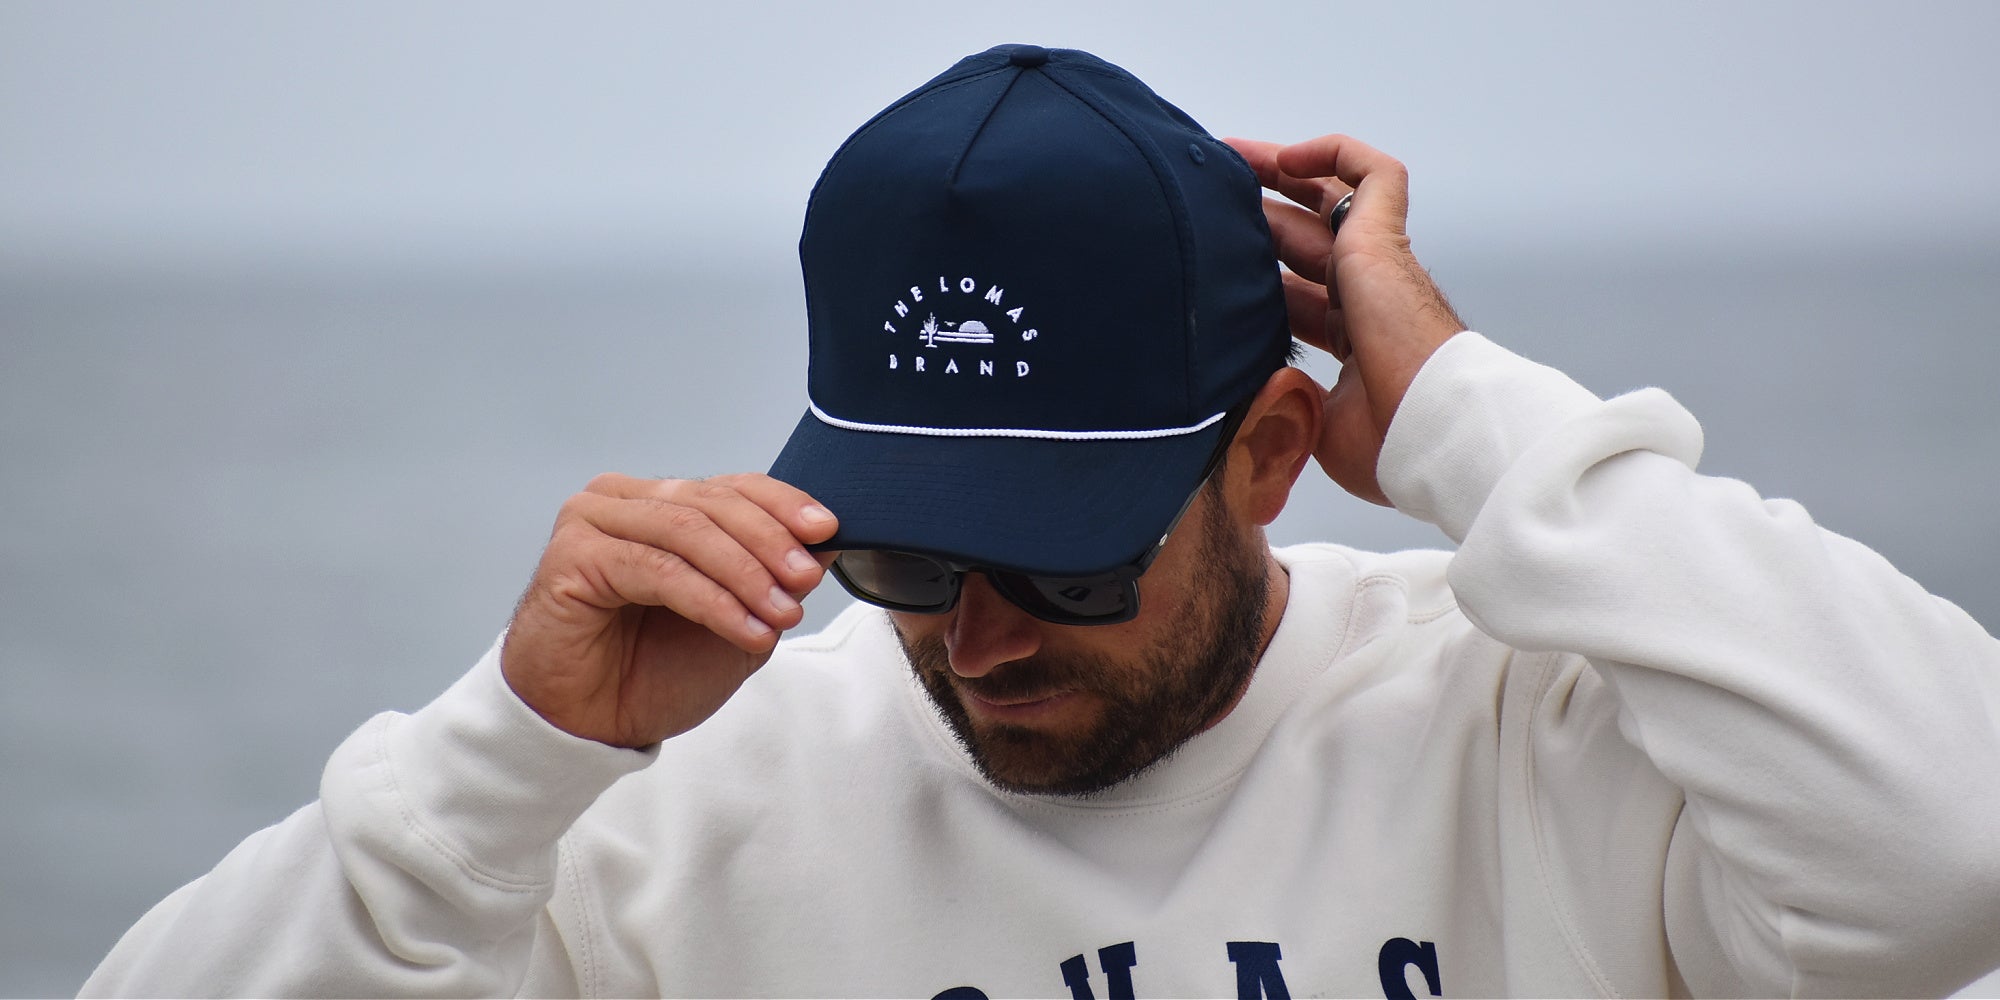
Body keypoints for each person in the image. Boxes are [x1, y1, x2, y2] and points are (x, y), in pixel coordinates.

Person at [84, 43, 2000, 999]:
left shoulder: (1537, 740)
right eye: (902, 555)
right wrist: (507, 760)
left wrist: (1482, 428)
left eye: (1068, 559)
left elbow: (1954, 845)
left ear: (1266, 457)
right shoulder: (685, 818)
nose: (972, 640)